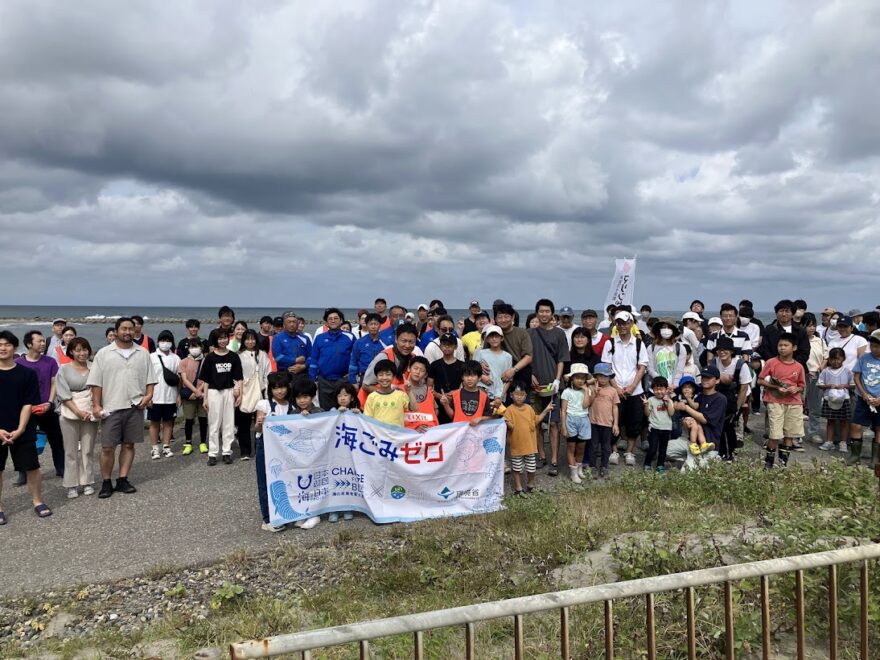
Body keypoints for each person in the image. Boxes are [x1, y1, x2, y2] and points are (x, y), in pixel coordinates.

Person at [87, 317, 156, 498]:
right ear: (116, 331)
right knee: (107, 447)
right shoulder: (103, 353)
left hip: (135, 406)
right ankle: (106, 481)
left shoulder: (142, 353)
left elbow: (151, 379)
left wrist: (148, 396)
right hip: (111, 406)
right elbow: (96, 383)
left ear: (135, 331)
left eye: (130, 329)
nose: (127, 332)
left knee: (129, 444)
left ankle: (123, 479)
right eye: (123, 329)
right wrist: (96, 405)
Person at [0, 330, 52, 523]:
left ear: (14, 347)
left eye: (6, 344)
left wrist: (21, 428)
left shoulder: (26, 373)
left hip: (23, 427)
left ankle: (38, 501)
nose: (2, 348)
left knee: (32, 467)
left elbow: (28, 403)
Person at [15, 331, 65, 483]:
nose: (43, 343)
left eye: (44, 341)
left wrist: (49, 402)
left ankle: (61, 467)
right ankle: (23, 472)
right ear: (29, 344)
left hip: (47, 407)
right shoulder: (19, 363)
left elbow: (53, 382)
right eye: (40, 341)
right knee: (24, 441)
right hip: (26, 409)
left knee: (56, 439)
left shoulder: (50, 361)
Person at [600, 311, 648, 467]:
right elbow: (607, 367)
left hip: (636, 390)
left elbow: (642, 367)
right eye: (619, 323)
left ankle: (630, 451)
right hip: (615, 390)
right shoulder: (610, 343)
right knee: (614, 421)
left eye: (625, 323)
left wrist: (633, 386)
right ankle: (613, 450)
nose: (622, 326)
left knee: (634, 422)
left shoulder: (639, 344)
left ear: (631, 324)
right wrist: (617, 388)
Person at [528, 299, 569, 476]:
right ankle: (541, 455)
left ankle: (554, 460)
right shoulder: (529, 333)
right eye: (541, 311)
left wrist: (558, 380)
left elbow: (561, 359)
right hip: (534, 386)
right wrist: (529, 375)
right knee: (536, 422)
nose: (544, 314)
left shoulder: (559, 334)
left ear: (552, 314)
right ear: (536, 313)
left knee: (553, 424)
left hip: (553, 386)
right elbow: (524, 357)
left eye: (547, 311)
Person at [56, 337, 99, 498]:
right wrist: (78, 412)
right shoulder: (64, 369)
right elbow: (63, 394)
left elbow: (99, 389)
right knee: (70, 451)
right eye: (78, 350)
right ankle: (71, 484)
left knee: (88, 450)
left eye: (85, 349)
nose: (82, 353)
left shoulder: (94, 367)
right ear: (72, 352)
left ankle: (87, 481)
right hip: (69, 412)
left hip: (90, 411)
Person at [757, 334, 806, 469]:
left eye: (786, 345)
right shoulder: (771, 362)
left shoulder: (799, 367)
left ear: (794, 348)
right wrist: (776, 387)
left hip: (794, 402)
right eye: (780, 345)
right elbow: (760, 380)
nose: (782, 348)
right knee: (774, 434)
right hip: (775, 400)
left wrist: (795, 389)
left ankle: (783, 463)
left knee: (789, 434)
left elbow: (802, 386)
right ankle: (769, 463)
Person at [254, 372, 295, 532]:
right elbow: (256, 430)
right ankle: (268, 518)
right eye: (276, 388)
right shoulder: (264, 405)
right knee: (265, 481)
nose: (279, 391)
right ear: (270, 389)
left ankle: (286, 513)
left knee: (286, 480)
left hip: (285, 449)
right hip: (265, 446)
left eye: (282, 387)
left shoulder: (292, 406)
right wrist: (259, 423)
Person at [200, 328, 243, 466]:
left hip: (229, 391)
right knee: (214, 423)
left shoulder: (233, 356)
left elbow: (239, 378)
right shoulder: (210, 357)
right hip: (213, 392)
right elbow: (205, 380)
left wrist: (239, 394)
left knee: (229, 423)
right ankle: (212, 453)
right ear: (215, 340)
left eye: (225, 337)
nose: (223, 340)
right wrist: (205, 398)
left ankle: (226, 452)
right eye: (220, 338)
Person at [504, 382, 553, 495]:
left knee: (531, 468)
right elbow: (511, 427)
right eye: (517, 394)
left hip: (530, 446)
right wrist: (506, 422)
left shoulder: (529, 408)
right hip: (516, 446)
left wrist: (546, 410)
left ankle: (530, 485)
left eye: (522, 394)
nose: (519, 396)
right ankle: (518, 488)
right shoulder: (509, 410)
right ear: (511, 395)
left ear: (525, 396)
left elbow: (536, 420)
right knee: (517, 469)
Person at [360, 323, 423, 403]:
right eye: (404, 341)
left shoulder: (413, 359)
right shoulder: (383, 357)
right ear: (396, 339)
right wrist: (391, 395)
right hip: (373, 405)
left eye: (411, 342)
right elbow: (366, 385)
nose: (407, 345)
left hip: (395, 406)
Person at [711, 337, 751, 461]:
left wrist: (738, 409)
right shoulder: (713, 363)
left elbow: (744, 388)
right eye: (719, 350)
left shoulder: (740, 365)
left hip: (736, 396)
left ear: (732, 351)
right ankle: (721, 452)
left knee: (729, 425)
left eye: (725, 350)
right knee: (719, 425)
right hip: (718, 397)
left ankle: (731, 453)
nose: (722, 352)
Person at [309, 307, 356, 410]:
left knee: (344, 411)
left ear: (341, 320)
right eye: (330, 319)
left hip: (343, 380)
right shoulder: (320, 338)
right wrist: (313, 379)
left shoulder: (350, 337)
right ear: (326, 322)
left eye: (336, 318)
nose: (333, 320)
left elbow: (355, 359)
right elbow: (313, 359)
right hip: (324, 381)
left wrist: (352, 378)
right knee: (326, 412)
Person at [236, 329, 271, 460]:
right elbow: (236, 375)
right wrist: (237, 390)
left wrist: (268, 391)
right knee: (244, 422)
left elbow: (268, 373)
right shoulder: (238, 355)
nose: (250, 342)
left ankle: (261, 448)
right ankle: (245, 451)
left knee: (261, 421)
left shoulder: (262, 354)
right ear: (243, 340)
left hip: (261, 391)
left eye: (252, 339)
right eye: (247, 339)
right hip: (245, 391)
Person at [849, 330, 880, 470]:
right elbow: (856, 376)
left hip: (878, 399)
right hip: (864, 398)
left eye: (878, 346)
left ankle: (875, 458)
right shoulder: (864, 358)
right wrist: (864, 393)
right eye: (873, 346)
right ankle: (855, 455)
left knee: (878, 428)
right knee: (856, 425)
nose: (875, 349)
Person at [148, 330, 181, 460]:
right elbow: (146, 377)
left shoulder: (176, 358)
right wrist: (147, 395)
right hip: (155, 396)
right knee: (154, 423)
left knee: (168, 422)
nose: (165, 343)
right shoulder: (151, 357)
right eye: (163, 340)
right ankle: (154, 448)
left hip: (170, 396)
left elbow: (179, 378)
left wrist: (178, 395)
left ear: (172, 342)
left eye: (168, 340)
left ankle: (166, 446)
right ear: (158, 341)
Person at [561, 364, 594, 483]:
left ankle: (579, 468)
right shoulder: (566, 392)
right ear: (572, 378)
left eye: (582, 378)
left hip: (584, 420)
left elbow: (585, 405)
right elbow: (563, 410)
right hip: (571, 420)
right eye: (577, 377)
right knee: (571, 447)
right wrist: (564, 427)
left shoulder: (587, 391)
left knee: (581, 447)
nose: (580, 380)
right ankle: (573, 472)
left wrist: (586, 391)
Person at [818, 347, 854, 456]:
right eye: (833, 359)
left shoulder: (847, 371)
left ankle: (843, 442)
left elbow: (853, 385)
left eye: (838, 359)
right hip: (829, 399)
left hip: (844, 399)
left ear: (843, 359)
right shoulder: (825, 371)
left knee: (844, 421)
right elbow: (819, 384)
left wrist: (844, 386)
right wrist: (829, 386)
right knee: (830, 421)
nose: (835, 361)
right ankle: (829, 441)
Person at [757, 300, 810, 368]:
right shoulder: (769, 329)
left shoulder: (800, 331)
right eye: (781, 311)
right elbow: (765, 350)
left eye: (787, 311)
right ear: (776, 313)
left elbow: (805, 352)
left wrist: (791, 364)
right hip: (774, 367)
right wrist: (777, 364)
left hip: (796, 368)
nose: (784, 314)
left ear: (792, 314)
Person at [178, 337, 208, 455]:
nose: (194, 349)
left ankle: (203, 442)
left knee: (203, 419)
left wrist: (199, 392)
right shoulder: (184, 361)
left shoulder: (206, 360)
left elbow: (207, 378)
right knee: (189, 420)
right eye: (192, 347)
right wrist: (195, 391)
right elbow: (184, 379)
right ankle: (188, 443)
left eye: (196, 346)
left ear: (201, 347)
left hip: (202, 394)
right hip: (189, 395)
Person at [588, 363, 619, 479]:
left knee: (606, 447)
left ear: (610, 377)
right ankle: (592, 466)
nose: (603, 379)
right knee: (593, 445)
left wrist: (615, 424)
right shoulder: (591, 389)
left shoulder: (613, 391)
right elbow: (587, 403)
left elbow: (615, 407)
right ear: (595, 377)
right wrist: (594, 392)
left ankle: (604, 466)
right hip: (593, 422)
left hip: (607, 423)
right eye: (600, 376)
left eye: (606, 376)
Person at [427, 333, 465, 424]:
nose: (447, 347)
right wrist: (440, 396)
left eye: (450, 344)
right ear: (440, 346)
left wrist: (455, 394)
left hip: (456, 402)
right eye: (444, 344)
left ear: (455, 347)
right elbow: (429, 387)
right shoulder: (434, 365)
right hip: (438, 403)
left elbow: (467, 386)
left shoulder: (462, 366)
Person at [802, 313, 828, 444]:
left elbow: (826, 356)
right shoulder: (798, 340)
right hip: (801, 375)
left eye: (813, 325)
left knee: (815, 406)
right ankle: (796, 434)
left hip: (816, 375)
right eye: (808, 325)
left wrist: (820, 368)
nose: (811, 328)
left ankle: (814, 432)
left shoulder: (820, 341)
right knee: (797, 405)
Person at [364, 359, 413, 426]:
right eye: (381, 375)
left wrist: (409, 391)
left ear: (393, 377)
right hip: (379, 435)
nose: (384, 378)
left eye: (388, 374)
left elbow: (414, 408)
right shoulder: (371, 397)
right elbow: (367, 420)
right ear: (376, 377)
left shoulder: (401, 395)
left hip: (397, 435)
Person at [272, 311, 313, 390]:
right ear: (284, 325)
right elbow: (278, 357)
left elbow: (311, 356)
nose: (292, 324)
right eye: (289, 322)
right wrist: (295, 360)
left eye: (294, 322)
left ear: (297, 324)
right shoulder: (278, 338)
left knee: (302, 399)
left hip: (303, 374)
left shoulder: (305, 338)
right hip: (284, 375)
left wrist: (304, 366)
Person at [641, 376, 674, 473]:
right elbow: (647, 414)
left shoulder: (669, 400)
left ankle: (660, 465)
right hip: (654, 428)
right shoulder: (651, 399)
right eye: (656, 389)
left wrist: (669, 402)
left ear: (666, 389)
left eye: (661, 389)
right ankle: (647, 464)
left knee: (663, 449)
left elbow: (671, 413)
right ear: (653, 390)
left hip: (666, 428)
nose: (659, 391)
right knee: (653, 448)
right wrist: (646, 405)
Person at [474, 324, 513, 404]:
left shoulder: (508, 356)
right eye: (491, 337)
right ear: (487, 339)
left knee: (497, 416)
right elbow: (473, 371)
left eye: (496, 336)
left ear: (501, 338)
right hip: (482, 391)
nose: (494, 339)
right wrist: (482, 377)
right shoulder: (481, 353)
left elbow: (508, 380)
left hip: (499, 396)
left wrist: (500, 396)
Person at [348, 313, 387, 387]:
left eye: (376, 324)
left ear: (380, 325)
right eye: (370, 324)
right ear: (366, 325)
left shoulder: (386, 342)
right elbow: (353, 363)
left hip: (383, 378)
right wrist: (353, 381)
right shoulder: (359, 343)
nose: (373, 326)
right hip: (364, 378)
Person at [647, 318, 686, 388]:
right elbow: (650, 369)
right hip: (656, 388)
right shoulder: (651, 348)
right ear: (659, 330)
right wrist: (662, 384)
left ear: (673, 331)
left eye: (669, 327)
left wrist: (674, 385)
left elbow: (680, 370)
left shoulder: (680, 348)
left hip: (673, 388)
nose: (666, 329)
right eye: (663, 327)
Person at [402, 356, 437, 432]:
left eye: (421, 370)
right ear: (409, 368)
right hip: (408, 435)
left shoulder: (429, 390)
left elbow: (435, 410)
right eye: (415, 368)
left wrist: (427, 425)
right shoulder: (399, 390)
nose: (417, 372)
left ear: (426, 375)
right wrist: (413, 428)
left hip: (429, 433)